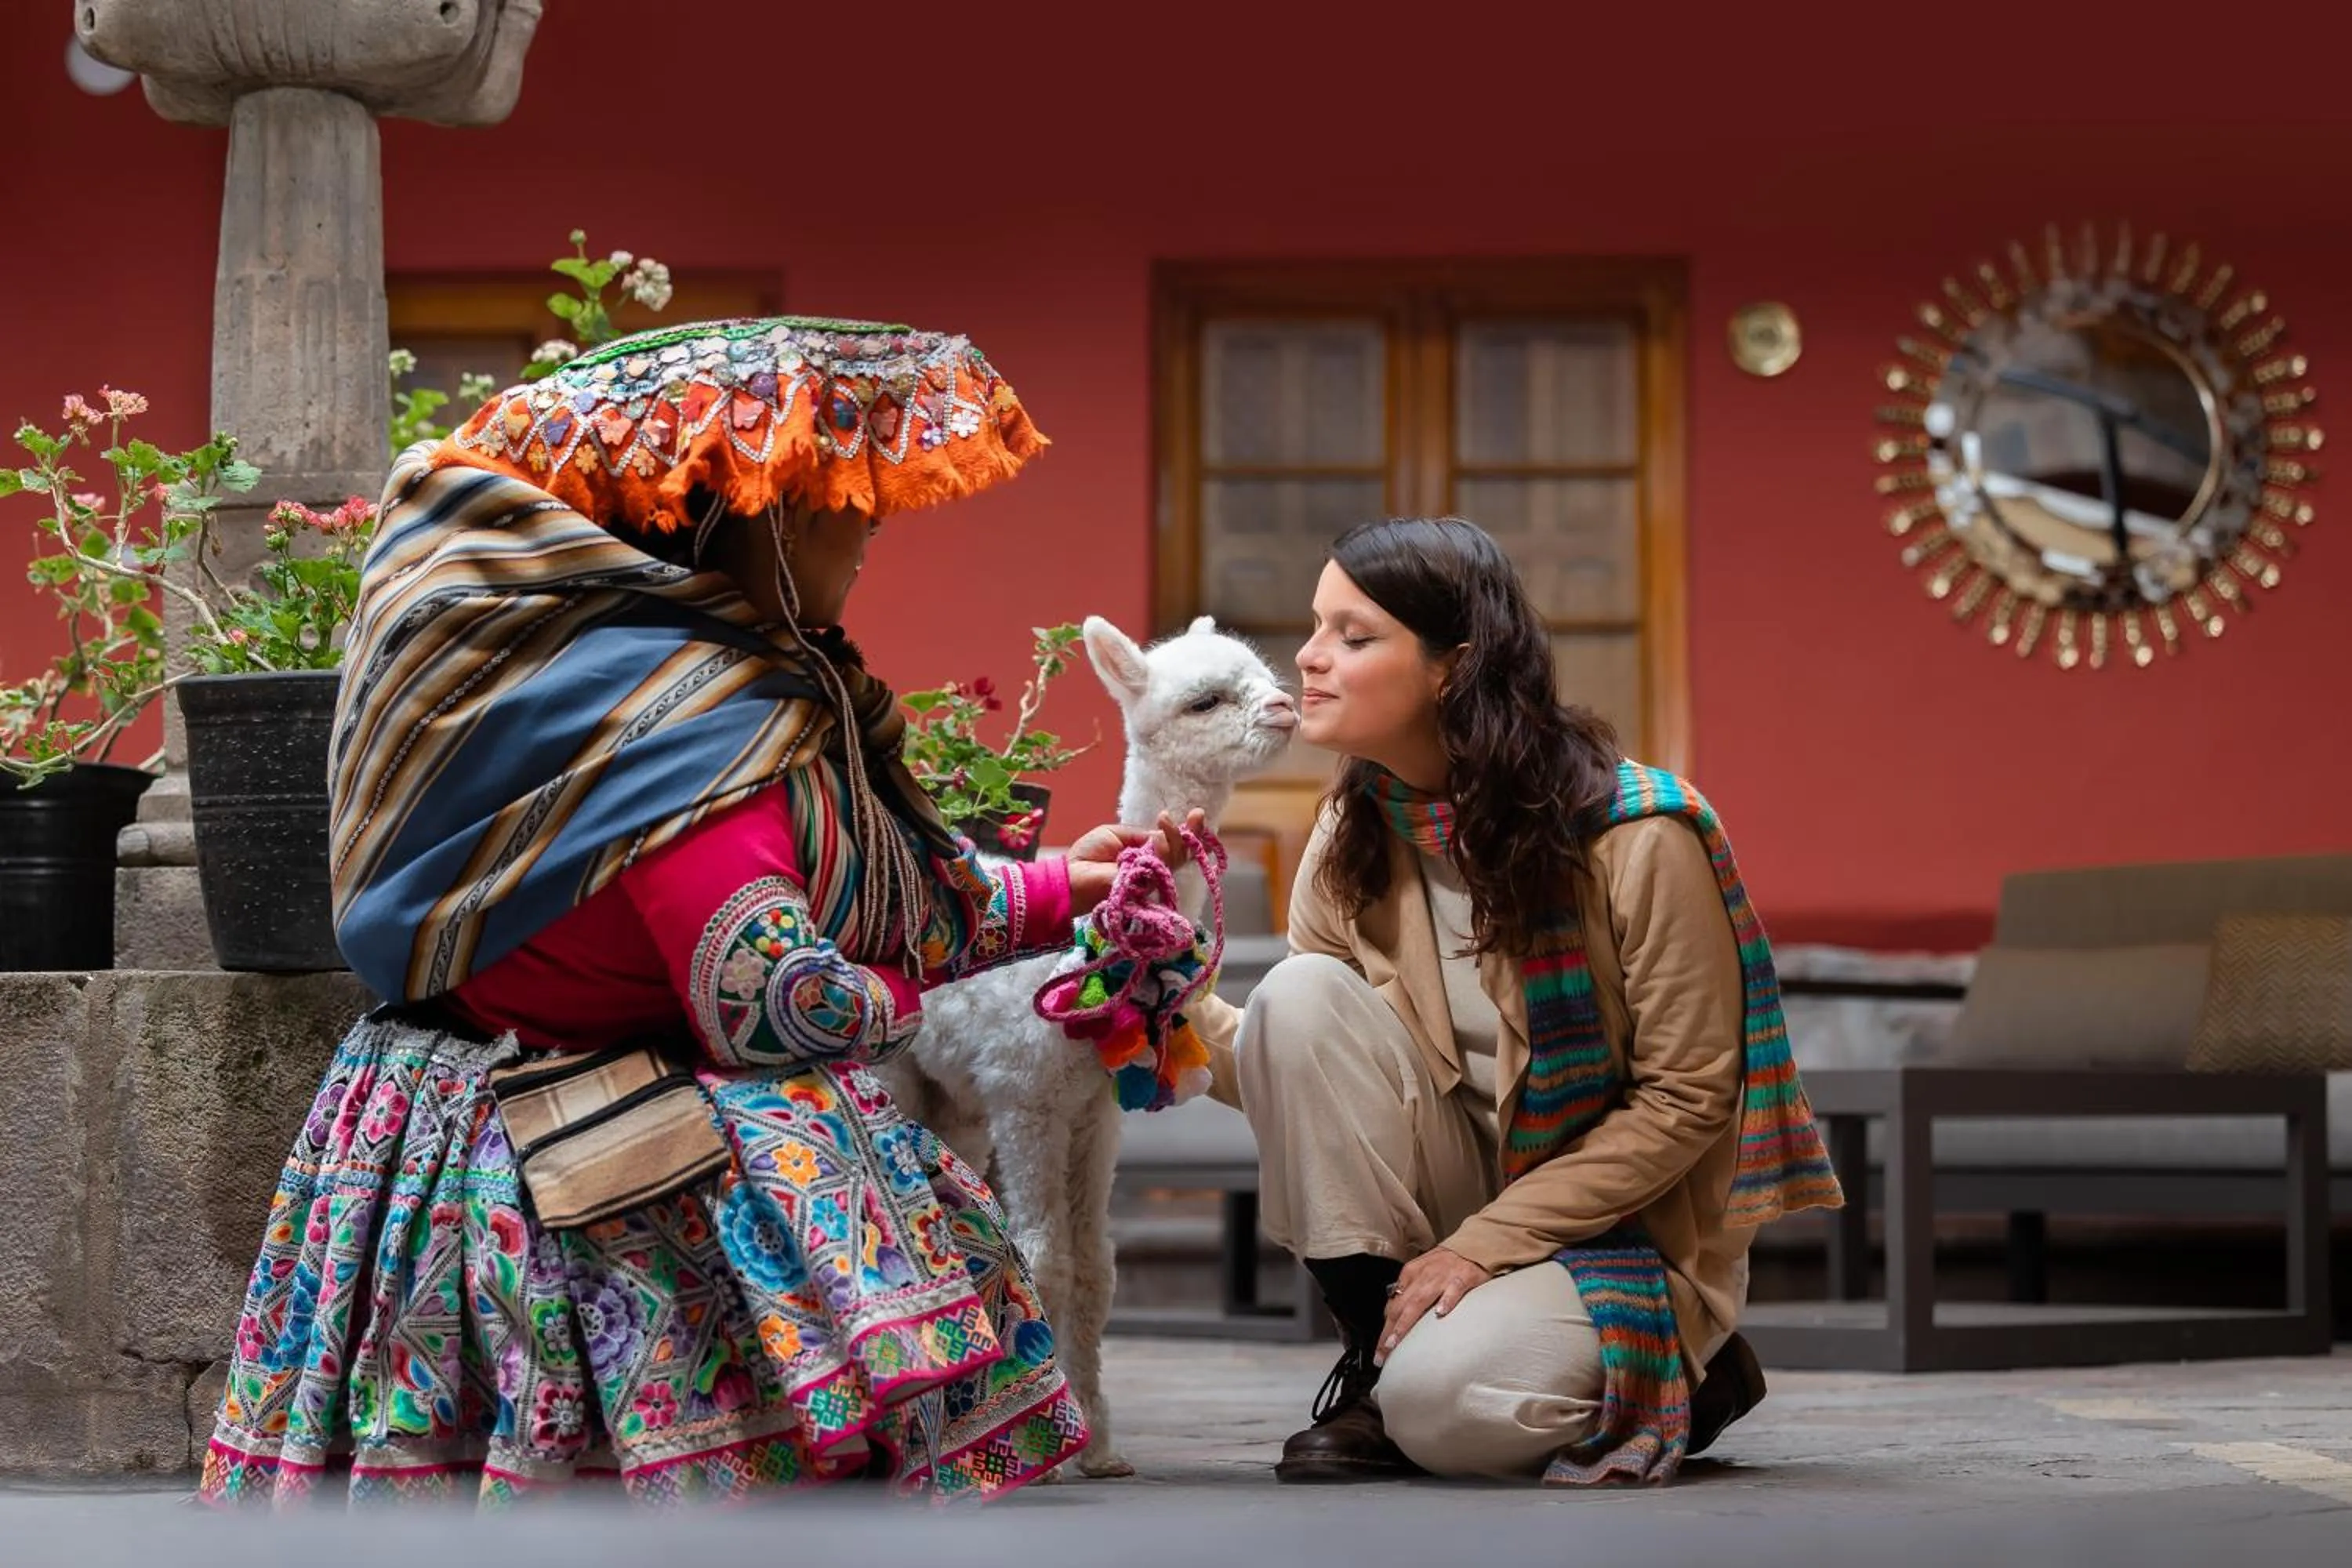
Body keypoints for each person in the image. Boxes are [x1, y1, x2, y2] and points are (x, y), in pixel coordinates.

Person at [200, 316, 1197, 1506]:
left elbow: (882, 895)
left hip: (448, 1101)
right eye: (834, 492)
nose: (868, 519)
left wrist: (1061, 892)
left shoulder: (622, 688)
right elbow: (775, 1005)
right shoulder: (690, 737)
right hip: (566, 1146)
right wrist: (892, 991)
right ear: (756, 519)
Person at [1188, 517, 1842, 1486]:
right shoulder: (1352, 831)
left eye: (1353, 636)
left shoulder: (1638, 835)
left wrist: (1487, 1244)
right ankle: (1378, 1355)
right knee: (1298, 990)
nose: (1310, 659)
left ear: (1453, 667)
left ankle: (1681, 1366)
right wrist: (1170, 1002)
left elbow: (1686, 1099)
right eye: (1316, 626)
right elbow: (1304, 1067)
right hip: (1454, 1202)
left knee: (1442, 1418)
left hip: (1619, 1230)